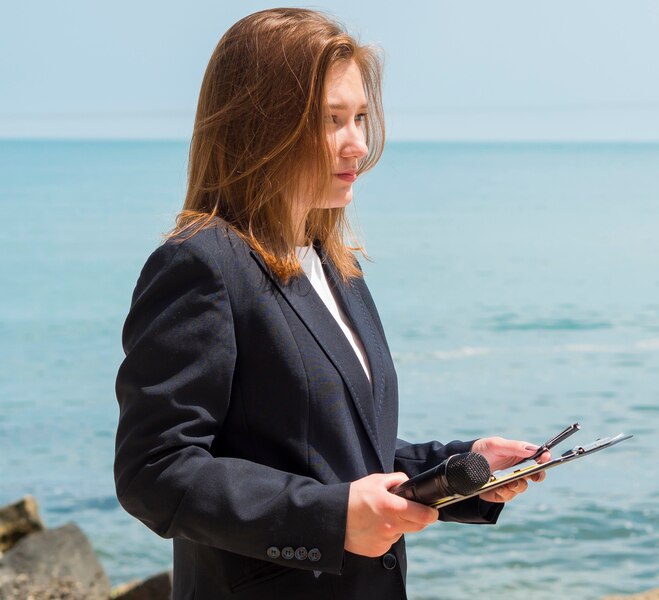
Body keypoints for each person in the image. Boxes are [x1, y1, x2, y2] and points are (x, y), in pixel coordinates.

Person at [113, 8, 548, 599]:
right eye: (332, 120)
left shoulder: (334, 263)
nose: (358, 144)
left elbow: (333, 448)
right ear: (260, 125)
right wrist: (330, 517)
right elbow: (154, 472)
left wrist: (459, 468)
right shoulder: (201, 263)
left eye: (362, 118)